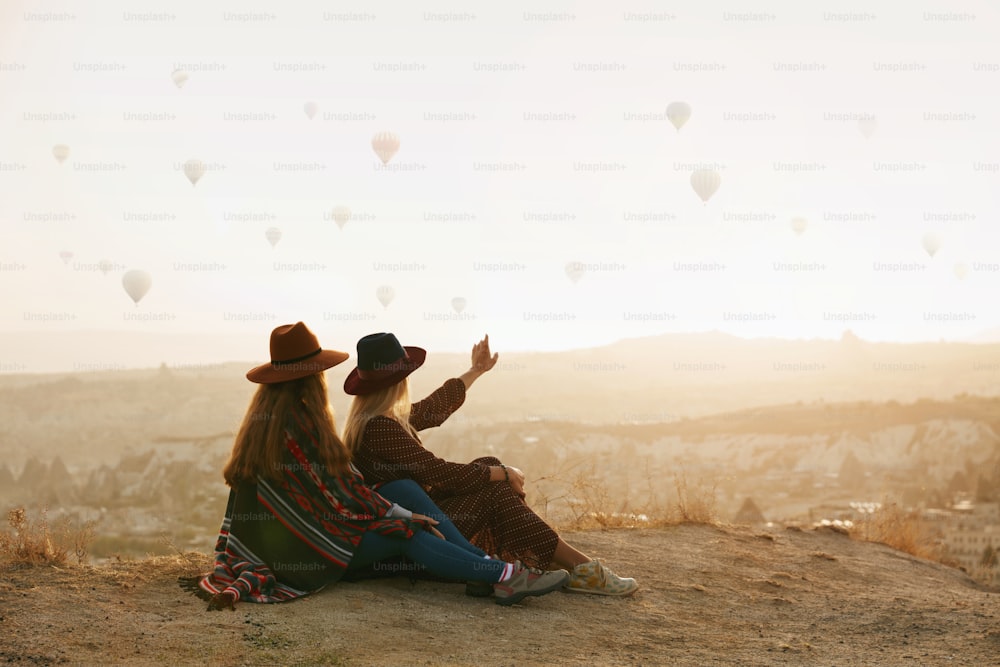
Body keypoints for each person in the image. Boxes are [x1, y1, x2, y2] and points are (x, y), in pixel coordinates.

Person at [183, 322, 568, 610]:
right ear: (311, 379)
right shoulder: (305, 430)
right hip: (314, 555)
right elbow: (343, 499)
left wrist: (475, 372)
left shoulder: (264, 427)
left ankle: (494, 572)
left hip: (290, 548)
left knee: (406, 506)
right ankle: (502, 574)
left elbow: (331, 497)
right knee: (409, 530)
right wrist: (400, 517)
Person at [342, 332, 638, 596]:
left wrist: (475, 371)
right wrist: (503, 473)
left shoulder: (377, 420)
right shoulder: (380, 426)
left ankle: (527, 566)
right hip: (425, 532)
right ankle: (581, 568)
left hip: (425, 517)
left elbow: (433, 409)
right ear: (398, 381)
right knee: (495, 483)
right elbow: (439, 472)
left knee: (489, 465)